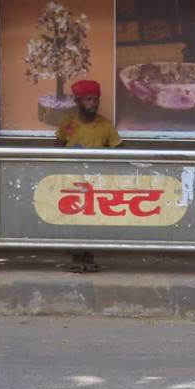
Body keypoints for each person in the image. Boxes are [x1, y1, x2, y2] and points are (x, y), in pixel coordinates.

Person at [54, 78, 121, 272]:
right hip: (71, 181)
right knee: (73, 218)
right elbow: (56, 149)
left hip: (96, 181)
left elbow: (120, 150)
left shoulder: (106, 126)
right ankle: (76, 256)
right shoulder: (67, 124)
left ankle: (89, 256)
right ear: (77, 101)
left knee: (92, 220)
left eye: (96, 99)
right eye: (88, 99)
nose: (94, 103)